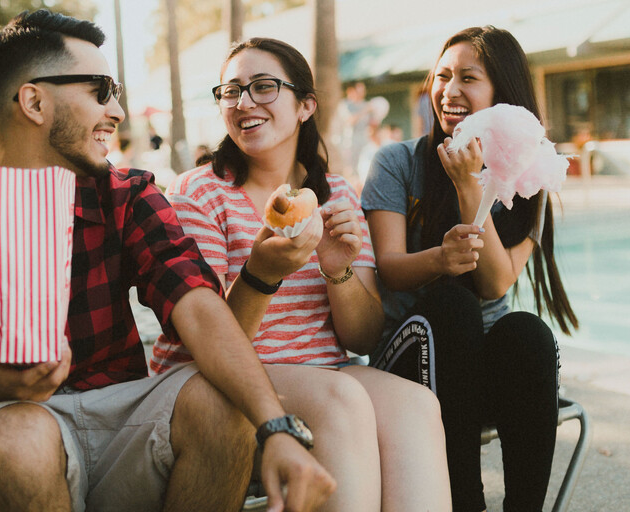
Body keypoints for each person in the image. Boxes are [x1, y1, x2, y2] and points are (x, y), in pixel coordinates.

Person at [0, 11, 334, 512]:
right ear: (33, 101)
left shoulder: (128, 195)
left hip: (118, 419)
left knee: (225, 402)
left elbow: (198, 307)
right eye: (100, 91)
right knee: (22, 434)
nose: (116, 111)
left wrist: (276, 427)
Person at [151, 37, 450, 511]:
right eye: (231, 91)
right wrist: (260, 271)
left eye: (263, 87)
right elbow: (205, 340)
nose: (244, 102)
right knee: (342, 399)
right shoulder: (198, 193)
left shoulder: (336, 196)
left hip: (324, 370)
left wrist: (339, 271)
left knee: (416, 404)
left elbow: (365, 337)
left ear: (305, 105)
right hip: (219, 380)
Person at [361, 25, 579, 512]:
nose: (449, 90)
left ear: (501, 95)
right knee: (451, 304)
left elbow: (497, 281)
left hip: (479, 377)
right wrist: (439, 259)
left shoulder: (528, 179)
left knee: (527, 333)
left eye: (468, 78)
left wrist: (469, 188)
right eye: (442, 76)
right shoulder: (397, 163)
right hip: (408, 368)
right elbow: (389, 269)